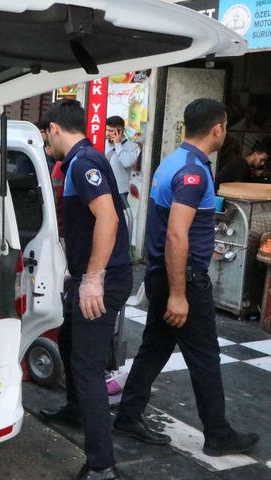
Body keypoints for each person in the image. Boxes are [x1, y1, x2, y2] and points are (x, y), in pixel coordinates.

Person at [114, 99, 259, 457]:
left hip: (165, 275)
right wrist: (179, 294)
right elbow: (176, 235)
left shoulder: (174, 161)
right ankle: (218, 434)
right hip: (183, 281)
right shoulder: (193, 172)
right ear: (218, 128)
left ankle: (128, 415)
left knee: (155, 348)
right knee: (205, 356)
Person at [38, 100, 133, 480]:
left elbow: (108, 218)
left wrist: (93, 278)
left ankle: (101, 465)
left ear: (55, 129)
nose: (47, 145)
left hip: (104, 279)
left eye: (46, 136)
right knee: (68, 339)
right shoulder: (83, 159)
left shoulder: (83, 163)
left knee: (88, 368)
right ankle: (76, 409)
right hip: (91, 274)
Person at [104, 116, 140, 211]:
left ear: (120, 131)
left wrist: (118, 144)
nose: (108, 133)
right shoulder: (105, 144)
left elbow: (126, 162)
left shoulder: (132, 146)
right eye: (107, 130)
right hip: (104, 191)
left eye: (111, 131)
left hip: (120, 192)